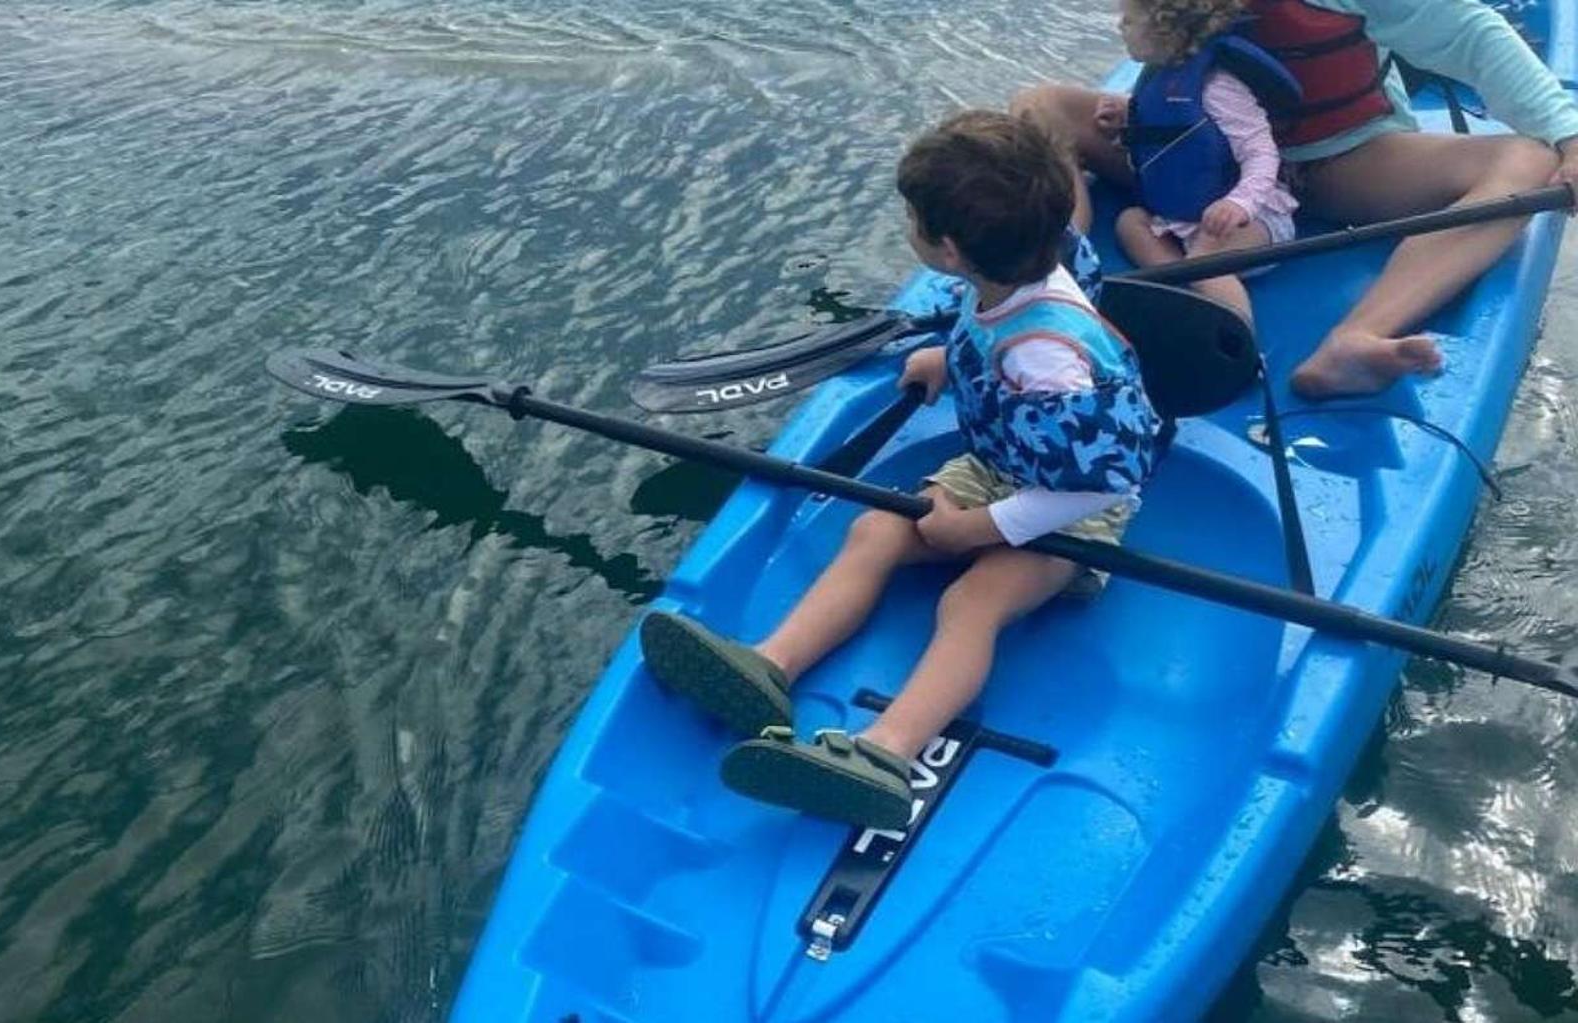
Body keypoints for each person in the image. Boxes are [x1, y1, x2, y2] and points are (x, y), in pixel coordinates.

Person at [638, 111, 1164, 828]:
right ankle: (771, 665)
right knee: (877, 530)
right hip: (1002, 462)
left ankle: (888, 751)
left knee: (972, 602)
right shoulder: (1028, 266)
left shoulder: (1048, 359)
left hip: (1070, 510)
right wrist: (951, 356)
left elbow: (1099, 480)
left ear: (948, 249)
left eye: (913, 219)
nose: (909, 226)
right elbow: (998, 328)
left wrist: (979, 528)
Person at [1018, 0, 1578, 398]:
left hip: (1336, 164)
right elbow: (1177, 54)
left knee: (1529, 161)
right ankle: (1051, 277)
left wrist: (1569, 135)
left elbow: (1470, 34)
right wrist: (1140, 112)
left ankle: (1355, 339)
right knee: (1042, 108)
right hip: (1204, 164)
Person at [1114, 0, 1300, 326]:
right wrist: (1120, 121)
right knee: (1130, 222)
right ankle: (1180, 284)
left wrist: (1239, 203)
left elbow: (1261, 153)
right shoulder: (1159, 77)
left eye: (1128, 21)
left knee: (1205, 256)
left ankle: (1238, 338)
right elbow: (1163, 134)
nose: (1120, 27)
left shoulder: (1217, 87)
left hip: (1249, 220)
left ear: (1165, 31)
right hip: (1184, 219)